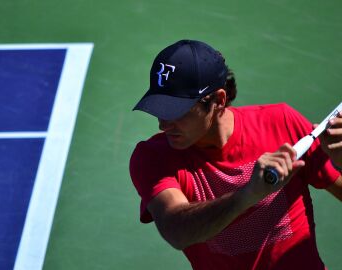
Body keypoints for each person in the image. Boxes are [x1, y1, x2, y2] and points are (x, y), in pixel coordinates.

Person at [129, 39, 342, 270]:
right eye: (159, 111)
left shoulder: (281, 122)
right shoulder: (152, 157)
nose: (163, 125)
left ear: (218, 100)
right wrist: (248, 194)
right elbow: (177, 230)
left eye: (176, 112)